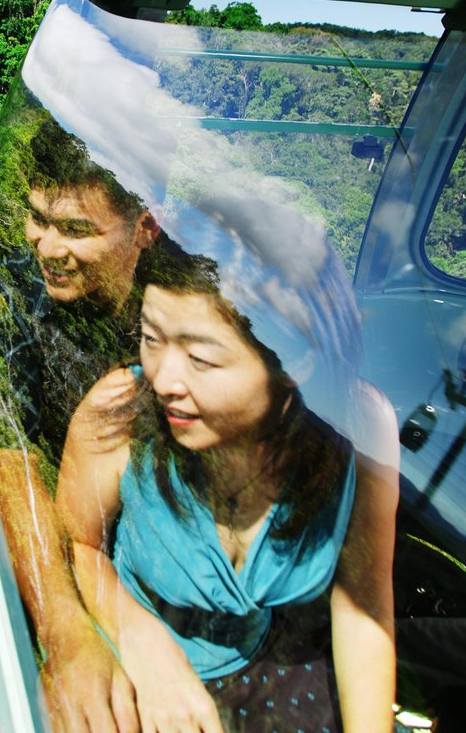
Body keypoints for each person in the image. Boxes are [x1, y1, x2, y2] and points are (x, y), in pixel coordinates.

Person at [57, 214, 398, 733]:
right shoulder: (119, 412)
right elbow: (73, 546)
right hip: (131, 662)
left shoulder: (359, 430)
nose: (164, 379)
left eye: (201, 357)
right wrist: (138, 638)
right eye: (151, 338)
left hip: (269, 667)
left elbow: (364, 602)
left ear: (292, 363)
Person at [0, 112, 161, 732]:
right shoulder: (6, 294)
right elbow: (7, 456)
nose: (45, 246)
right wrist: (63, 629)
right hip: (76, 537)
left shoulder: (178, 291)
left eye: (74, 229)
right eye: (37, 219)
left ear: (144, 228)